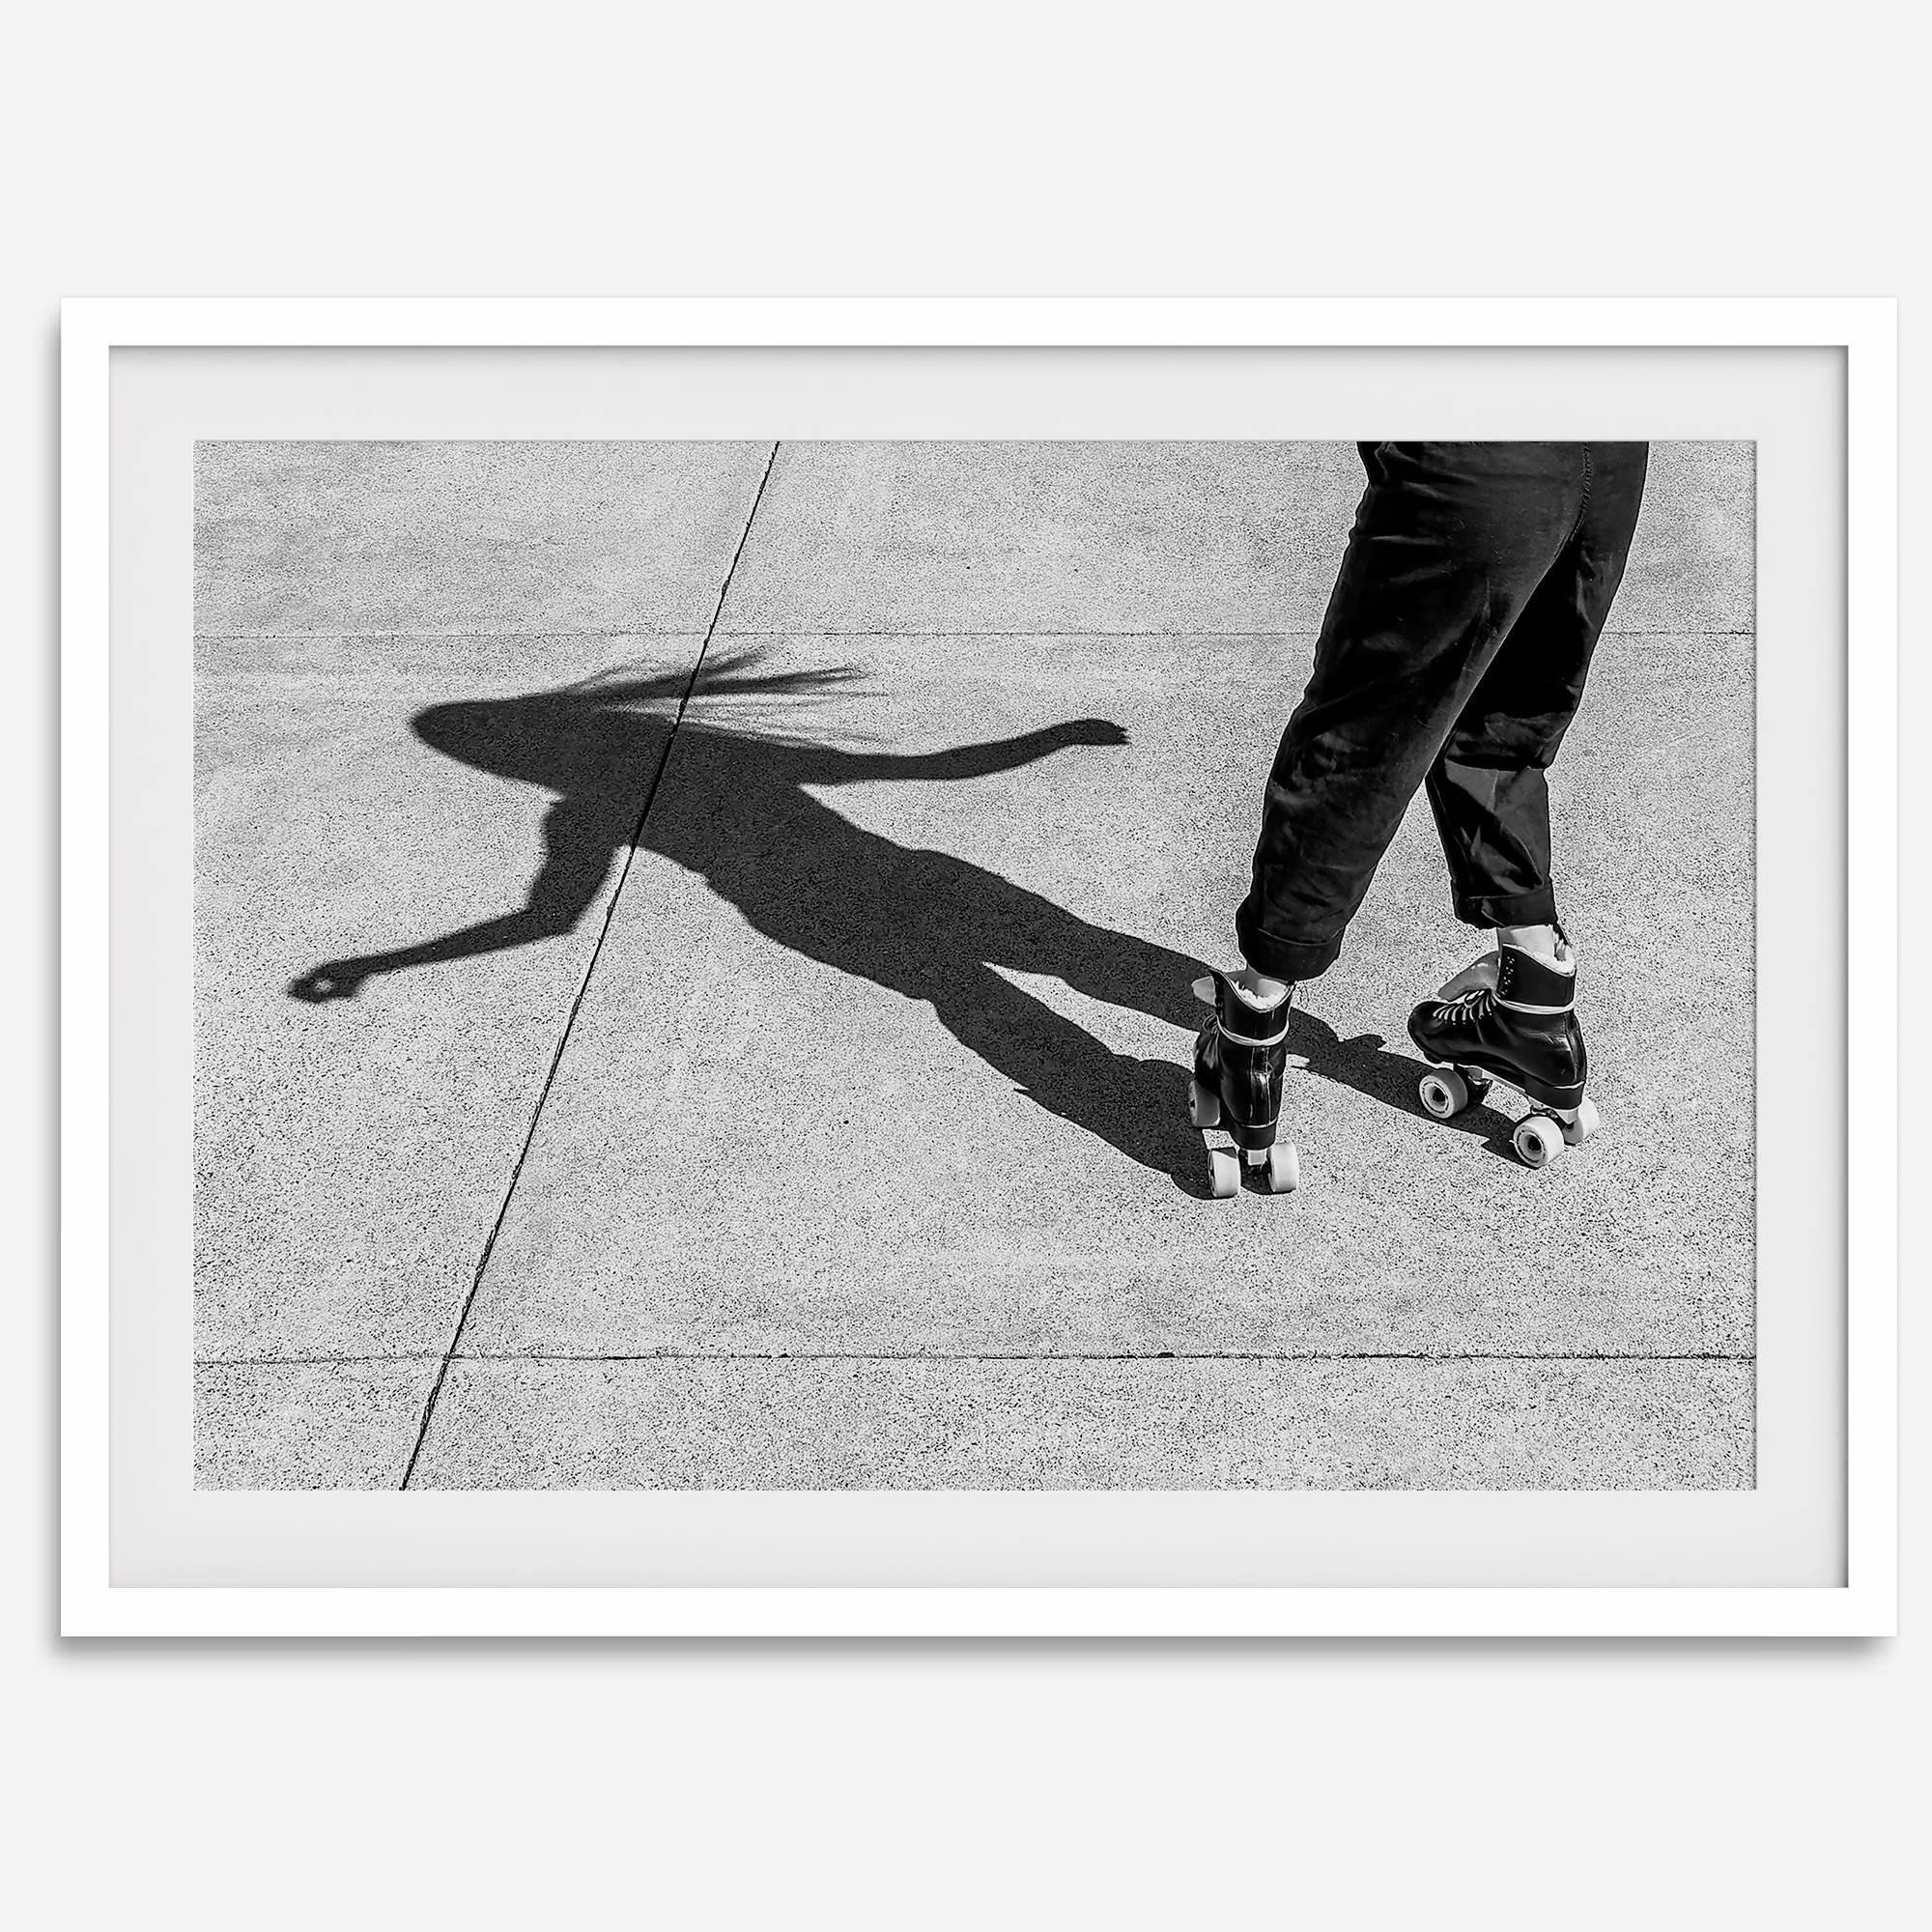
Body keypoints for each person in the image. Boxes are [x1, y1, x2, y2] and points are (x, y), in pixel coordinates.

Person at [1189, 440, 1650, 1193]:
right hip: (1610, 447)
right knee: (1503, 732)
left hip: (1476, 447)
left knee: (1359, 744)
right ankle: (1532, 1006)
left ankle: (1250, 1031)